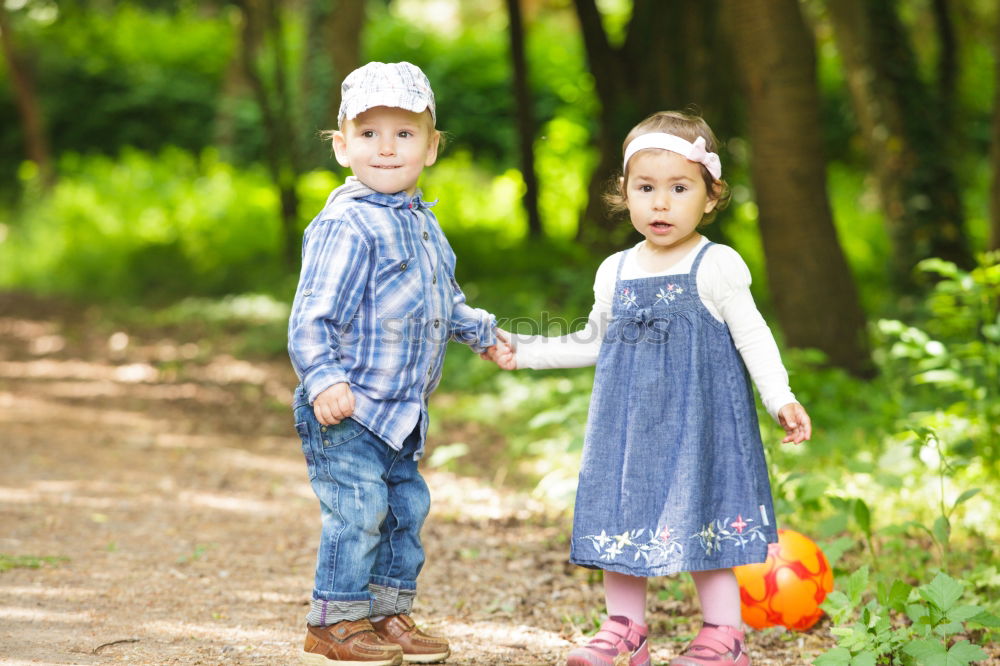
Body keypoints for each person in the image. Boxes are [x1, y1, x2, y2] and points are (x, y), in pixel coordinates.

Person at [484, 110, 811, 666]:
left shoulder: (716, 265)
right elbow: (596, 341)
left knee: (705, 514)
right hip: (628, 426)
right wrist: (527, 351)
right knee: (620, 511)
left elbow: (754, 336)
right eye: (646, 188)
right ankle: (625, 627)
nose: (661, 203)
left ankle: (723, 634)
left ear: (710, 197)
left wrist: (779, 396)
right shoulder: (615, 269)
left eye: (679, 189)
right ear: (625, 193)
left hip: (698, 423)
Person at [288, 61, 504, 666]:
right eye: (368, 133)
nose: (387, 148)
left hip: (402, 411)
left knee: (404, 512)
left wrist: (482, 333)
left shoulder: (423, 223)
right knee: (358, 512)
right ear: (341, 146)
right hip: (350, 405)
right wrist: (324, 378)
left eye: (405, 134)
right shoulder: (346, 223)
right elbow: (311, 317)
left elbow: (441, 300)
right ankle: (335, 619)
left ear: (432, 147)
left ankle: (386, 613)